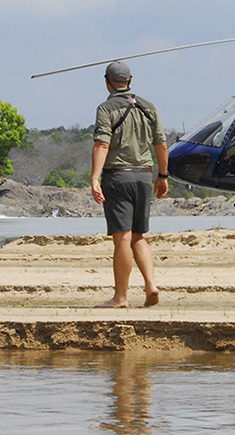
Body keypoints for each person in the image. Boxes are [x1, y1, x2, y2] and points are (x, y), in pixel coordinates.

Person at [90, 61, 168, 308]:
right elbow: (161, 145)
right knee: (139, 236)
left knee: (122, 237)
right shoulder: (149, 107)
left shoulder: (106, 108)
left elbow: (102, 144)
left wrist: (94, 178)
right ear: (130, 81)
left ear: (107, 82)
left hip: (118, 177)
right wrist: (163, 176)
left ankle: (121, 297)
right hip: (144, 176)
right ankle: (151, 285)